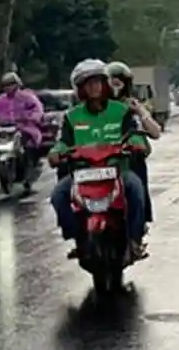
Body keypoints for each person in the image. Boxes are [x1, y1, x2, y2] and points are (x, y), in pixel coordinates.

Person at [48, 59, 149, 259]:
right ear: (81, 88)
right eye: (88, 83)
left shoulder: (121, 111)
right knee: (58, 195)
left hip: (118, 171)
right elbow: (63, 143)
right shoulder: (72, 116)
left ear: (105, 84)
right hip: (82, 174)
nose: (94, 87)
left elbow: (134, 134)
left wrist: (136, 144)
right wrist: (56, 153)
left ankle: (135, 240)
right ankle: (77, 237)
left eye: (97, 81)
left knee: (136, 190)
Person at [106, 61, 159, 237]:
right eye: (111, 79)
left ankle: (137, 229)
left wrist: (141, 113)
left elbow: (155, 132)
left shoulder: (132, 106)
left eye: (119, 80)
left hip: (126, 160)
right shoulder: (97, 107)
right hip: (100, 160)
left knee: (136, 183)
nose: (115, 84)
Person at [0, 71, 44, 192]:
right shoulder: (0, 100)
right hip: (5, 130)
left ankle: (30, 169)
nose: (8, 87)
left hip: (25, 128)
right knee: (0, 146)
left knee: (29, 146)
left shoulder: (27, 97)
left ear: (17, 84)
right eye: (5, 85)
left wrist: (32, 117)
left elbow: (37, 108)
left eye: (10, 84)